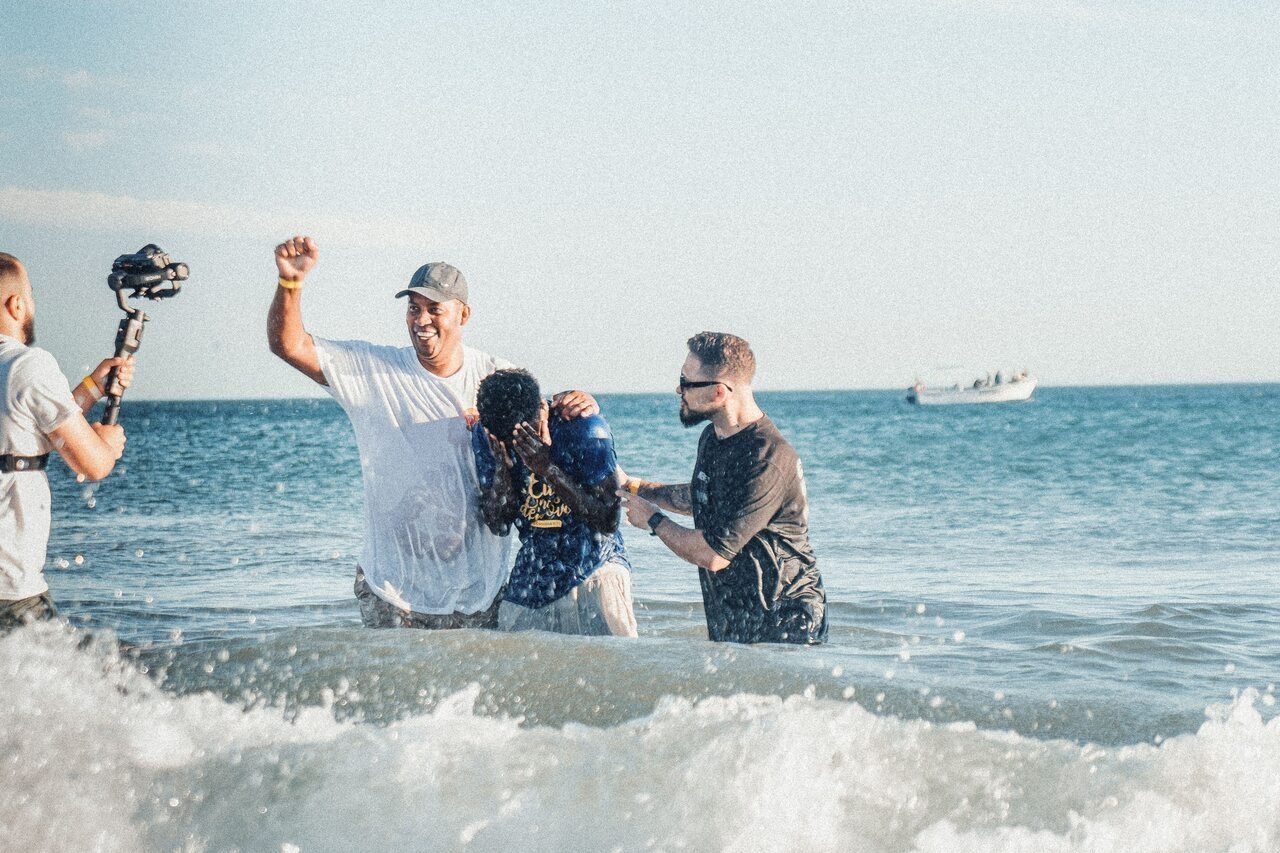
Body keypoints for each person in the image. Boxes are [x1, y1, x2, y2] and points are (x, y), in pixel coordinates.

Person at [266, 236, 595, 629]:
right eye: (413, 308)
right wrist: (290, 284)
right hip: (393, 593)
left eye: (434, 309)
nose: (421, 320)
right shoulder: (373, 371)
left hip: (479, 595)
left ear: (463, 315)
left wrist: (578, 401)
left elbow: (543, 417)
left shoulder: (495, 375)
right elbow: (288, 344)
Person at [618, 331, 826, 644]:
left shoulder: (767, 459)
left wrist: (653, 520)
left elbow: (713, 554)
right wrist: (634, 487)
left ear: (718, 393)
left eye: (686, 381)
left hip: (786, 624)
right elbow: (703, 497)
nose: (679, 389)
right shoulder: (713, 438)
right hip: (736, 620)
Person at [1, 252, 132, 630]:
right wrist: (105, 442)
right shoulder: (28, 365)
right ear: (17, 304)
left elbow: (24, 430)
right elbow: (92, 465)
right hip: (11, 591)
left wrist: (92, 387)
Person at [472, 368, 636, 637]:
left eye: (525, 432)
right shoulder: (486, 434)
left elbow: (607, 520)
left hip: (593, 569)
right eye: (510, 440)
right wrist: (503, 470)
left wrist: (548, 468)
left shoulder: (584, 429)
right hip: (532, 582)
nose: (519, 441)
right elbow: (499, 526)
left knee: (611, 671)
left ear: (542, 409)